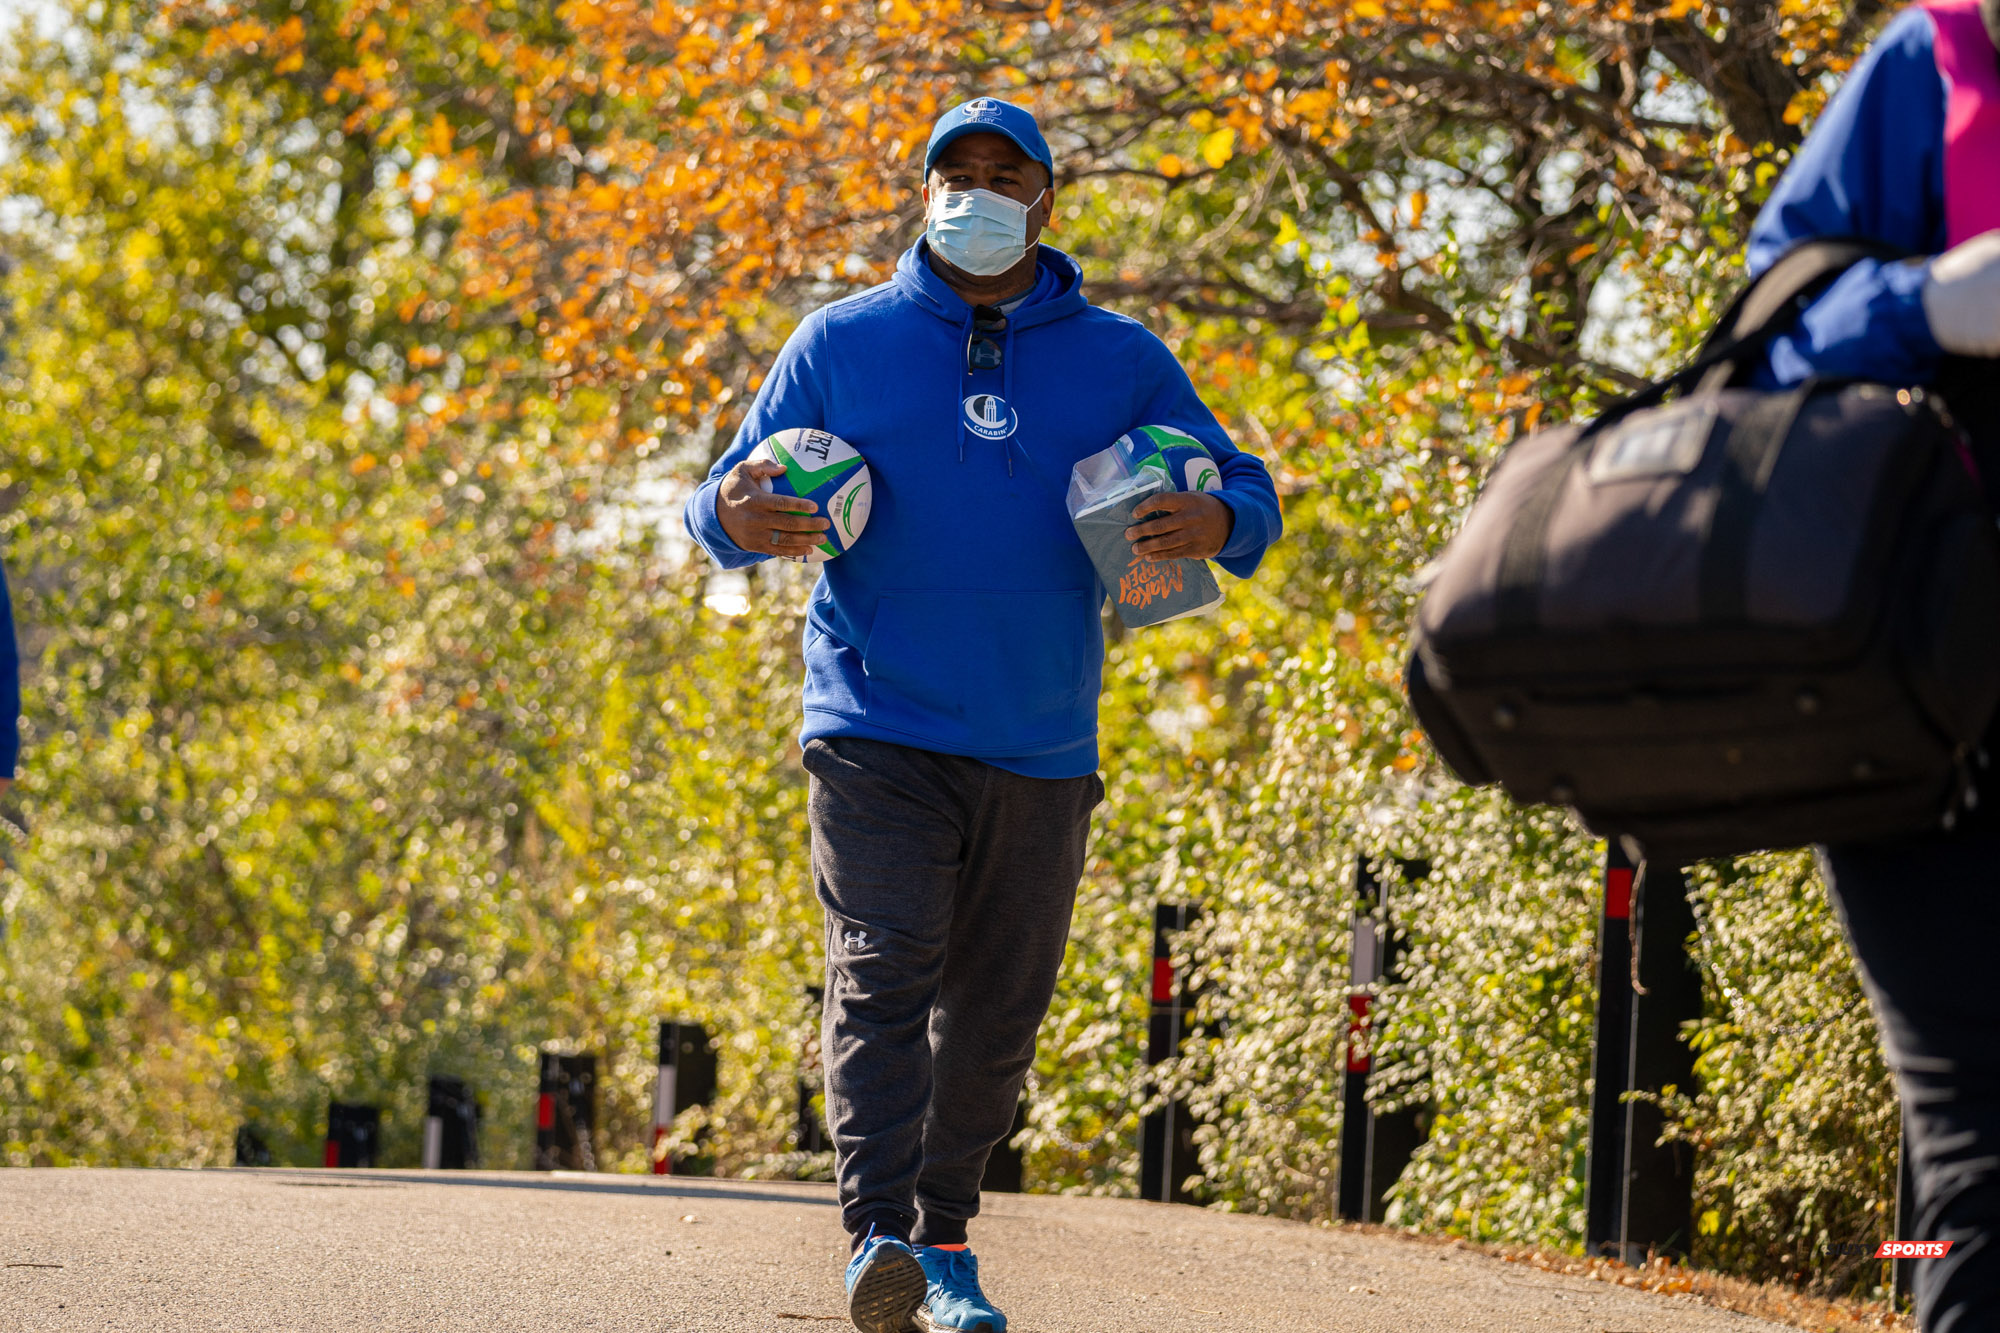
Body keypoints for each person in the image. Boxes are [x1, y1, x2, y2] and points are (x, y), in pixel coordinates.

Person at [685, 98, 1282, 1333]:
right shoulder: (838, 343)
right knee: (882, 968)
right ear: (924, 192)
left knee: (997, 1014)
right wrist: (734, 517)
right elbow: (721, 501)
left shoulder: (1118, 356)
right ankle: (874, 1243)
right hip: (872, 718)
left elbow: (1242, 485)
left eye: (1000, 172)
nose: (972, 191)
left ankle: (943, 1242)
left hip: (1040, 735)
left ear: (1044, 199)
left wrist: (1217, 523)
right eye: (950, 173)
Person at [1748, 3, 2000, 1328]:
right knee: (1984, 1162)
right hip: (1941, 716)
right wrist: (1934, 302)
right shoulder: (1936, 65)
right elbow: (1777, 323)